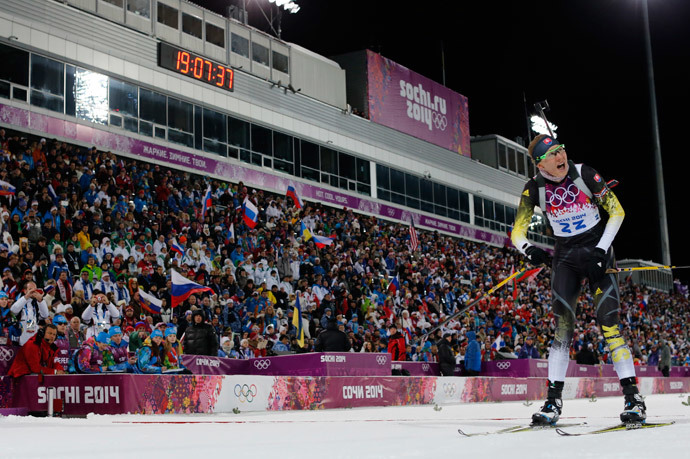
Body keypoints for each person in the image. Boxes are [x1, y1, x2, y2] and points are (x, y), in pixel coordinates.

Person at [511, 134, 643, 425]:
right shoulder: (534, 188)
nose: (561, 157)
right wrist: (530, 250)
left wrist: (600, 251)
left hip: (597, 250)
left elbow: (617, 211)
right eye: (553, 154)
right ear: (539, 162)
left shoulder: (583, 173)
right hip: (566, 258)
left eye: (561, 150)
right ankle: (552, 403)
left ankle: (634, 399)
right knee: (562, 331)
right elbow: (516, 233)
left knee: (609, 325)